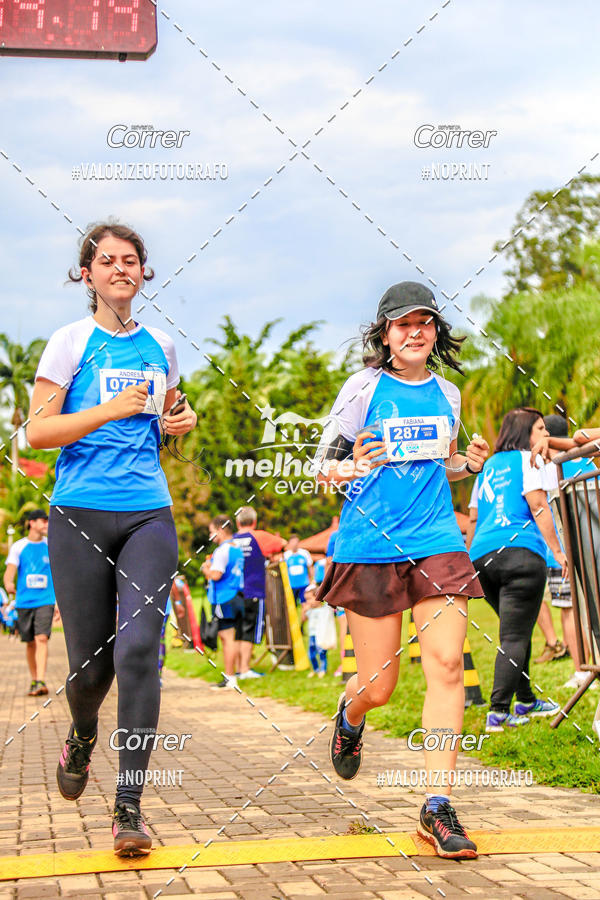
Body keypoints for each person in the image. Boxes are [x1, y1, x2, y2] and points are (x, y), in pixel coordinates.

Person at [26, 222, 196, 856]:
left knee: (139, 652)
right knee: (91, 669)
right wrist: (108, 410)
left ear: (144, 273)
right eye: (107, 261)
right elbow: (37, 435)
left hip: (148, 512)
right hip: (78, 515)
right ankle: (80, 729)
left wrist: (183, 420)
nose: (120, 268)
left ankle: (129, 807)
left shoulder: (162, 346)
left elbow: (169, 418)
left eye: (131, 260)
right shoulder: (69, 344)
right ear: (88, 275)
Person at [315, 281, 489, 860]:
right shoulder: (363, 389)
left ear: (435, 333)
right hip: (370, 544)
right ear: (384, 334)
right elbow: (323, 470)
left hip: (438, 541)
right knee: (379, 686)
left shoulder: (448, 393)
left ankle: (436, 805)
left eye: (425, 323)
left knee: (445, 665)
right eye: (402, 324)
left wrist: (468, 463)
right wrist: (350, 465)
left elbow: (444, 465)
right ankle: (350, 712)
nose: (415, 332)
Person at [469, 408, 565, 733]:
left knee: (516, 632)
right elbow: (538, 505)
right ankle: (498, 712)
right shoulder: (529, 459)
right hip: (521, 553)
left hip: (483, 558)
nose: (545, 435)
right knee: (514, 636)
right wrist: (558, 552)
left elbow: (472, 518)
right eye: (540, 428)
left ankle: (525, 700)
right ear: (526, 433)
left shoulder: (485, 469)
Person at [540, 414, 598, 689]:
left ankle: (583, 669)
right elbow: (583, 437)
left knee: (571, 610)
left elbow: (583, 436)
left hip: (566, 553)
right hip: (582, 550)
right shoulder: (584, 460)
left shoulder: (550, 467)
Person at [3, 510, 55, 695]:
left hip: (46, 600)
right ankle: (34, 680)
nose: (46, 524)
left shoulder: (51, 546)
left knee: (41, 638)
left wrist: (58, 602)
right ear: (32, 523)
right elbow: (9, 573)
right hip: (24, 601)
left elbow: (59, 575)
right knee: (30, 642)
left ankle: (41, 680)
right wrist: (8, 583)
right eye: (43, 520)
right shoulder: (18, 546)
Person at [234, 506, 286, 678]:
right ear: (254, 522)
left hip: (234, 593)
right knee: (250, 630)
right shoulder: (258, 536)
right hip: (254, 591)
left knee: (238, 630)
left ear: (237, 522)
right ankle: (245, 668)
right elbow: (283, 543)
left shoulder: (232, 540)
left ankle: (238, 668)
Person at [202, 515, 245, 690]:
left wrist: (206, 568)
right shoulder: (237, 548)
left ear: (220, 530)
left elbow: (216, 575)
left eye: (212, 532)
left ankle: (230, 677)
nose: (210, 536)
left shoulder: (221, 550)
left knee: (227, 639)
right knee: (231, 637)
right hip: (236, 595)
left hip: (224, 598)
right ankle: (231, 675)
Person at [303, 584, 328, 678]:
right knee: (311, 654)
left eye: (310, 599)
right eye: (306, 599)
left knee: (322, 653)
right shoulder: (310, 610)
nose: (308, 602)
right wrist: (304, 611)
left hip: (321, 635)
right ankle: (315, 669)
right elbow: (303, 619)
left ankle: (323, 669)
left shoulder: (324, 609)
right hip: (312, 635)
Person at [284, 534, 314, 604]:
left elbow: (310, 567)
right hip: (291, 586)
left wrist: (312, 580)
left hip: (304, 584)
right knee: (292, 605)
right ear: (289, 543)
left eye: (296, 542)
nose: (294, 544)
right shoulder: (286, 555)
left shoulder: (304, 553)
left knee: (305, 604)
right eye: (292, 542)